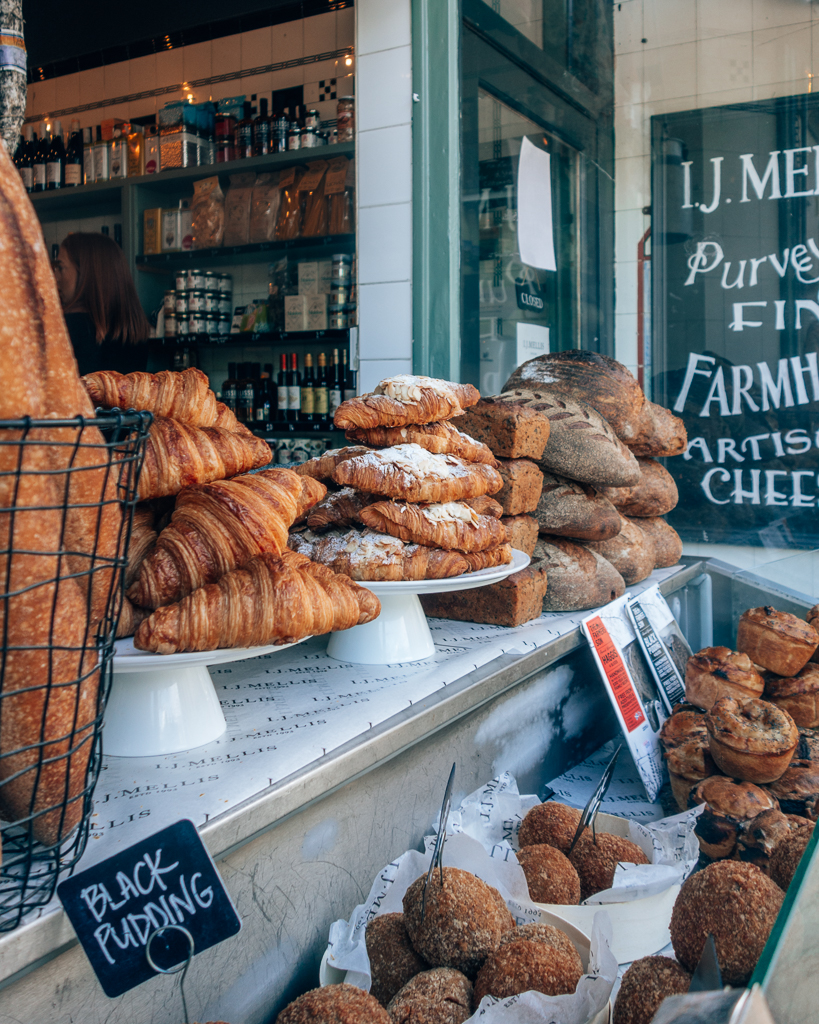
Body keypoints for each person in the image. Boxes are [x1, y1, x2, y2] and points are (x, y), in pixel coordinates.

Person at [54, 232, 150, 376]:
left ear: (85, 274)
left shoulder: (68, 328)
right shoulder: (135, 331)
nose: (55, 278)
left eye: (61, 268)